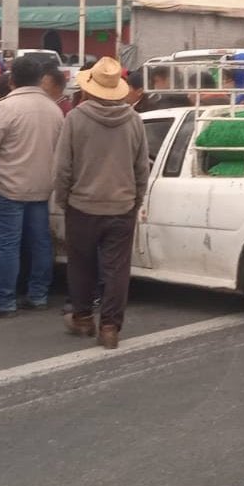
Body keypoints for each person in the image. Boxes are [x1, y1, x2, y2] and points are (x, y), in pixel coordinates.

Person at [55, 57, 150, 349]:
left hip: (83, 204)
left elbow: (63, 167)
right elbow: (141, 167)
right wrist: (137, 198)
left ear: (90, 88)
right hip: (121, 205)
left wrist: (63, 199)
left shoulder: (75, 118)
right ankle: (110, 327)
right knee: (117, 269)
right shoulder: (134, 119)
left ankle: (83, 318)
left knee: (81, 265)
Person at [0, 56, 65, 317]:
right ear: (40, 79)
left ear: (11, 79)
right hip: (42, 186)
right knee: (41, 242)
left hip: (7, 186)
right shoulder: (53, 109)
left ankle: (4, 300)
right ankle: (38, 295)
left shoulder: (5, 108)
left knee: (8, 245)